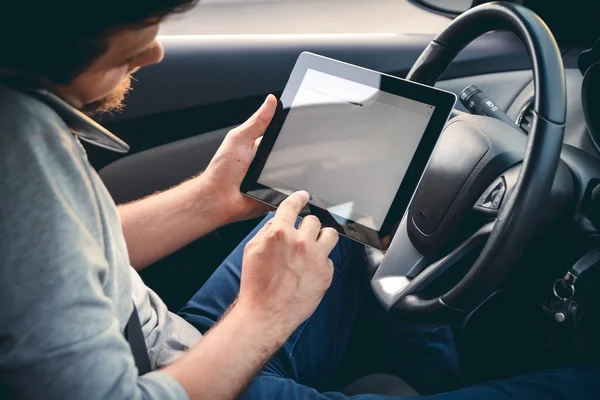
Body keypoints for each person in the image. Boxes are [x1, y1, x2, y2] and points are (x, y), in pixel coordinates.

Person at [0, 1, 599, 399]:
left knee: (338, 209)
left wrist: (212, 198)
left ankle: (424, 378)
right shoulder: (18, 145)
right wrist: (262, 317)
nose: (153, 53)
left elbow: (59, 257)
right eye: (138, 36)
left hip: (167, 341)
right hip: (177, 378)